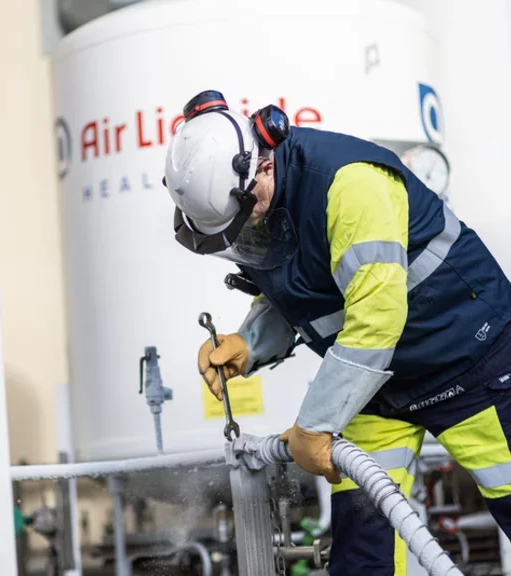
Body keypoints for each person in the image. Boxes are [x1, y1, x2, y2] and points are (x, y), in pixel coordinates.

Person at [162, 90, 511, 576]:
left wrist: (315, 425)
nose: (247, 227)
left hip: (469, 360)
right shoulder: (263, 202)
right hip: (377, 386)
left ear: (262, 165)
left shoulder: (351, 185)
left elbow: (375, 316)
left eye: (245, 211)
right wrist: (251, 342)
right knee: (364, 555)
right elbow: (308, 290)